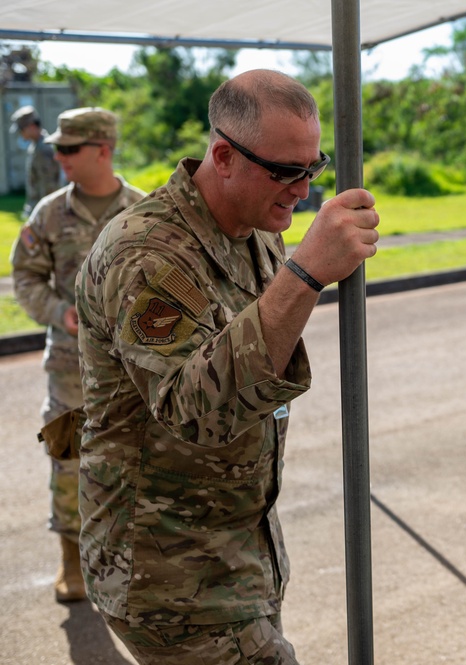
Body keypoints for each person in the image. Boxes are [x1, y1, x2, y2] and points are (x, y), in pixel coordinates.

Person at [74, 69, 379, 665]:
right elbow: (195, 412)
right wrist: (308, 273)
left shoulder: (254, 229)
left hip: (231, 554)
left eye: (312, 169)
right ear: (223, 155)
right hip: (168, 577)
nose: (302, 189)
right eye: (285, 171)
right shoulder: (147, 254)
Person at [10, 107, 145, 603]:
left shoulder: (142, 212)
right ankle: (71, 559)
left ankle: (128, 562)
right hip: (69, 370)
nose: (59, 157)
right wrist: (58, 310)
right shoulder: (48, 213)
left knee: (133, 463)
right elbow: (24, 276)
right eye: (57, 149)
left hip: (132, 372)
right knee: (67, 460)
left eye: (69, 149)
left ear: (103, 150)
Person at [9, 105, 63, 218]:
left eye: (21, 130)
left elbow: (49, 186)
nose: (20, 134)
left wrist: (44, 214)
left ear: (32, 126)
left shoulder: (43, 149)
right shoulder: (35, 147)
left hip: (46, 212)